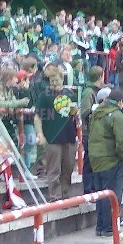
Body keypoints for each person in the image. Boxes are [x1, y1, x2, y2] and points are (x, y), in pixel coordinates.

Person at [88, 88, 123, 237]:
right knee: (112, 195)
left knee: (101, 195)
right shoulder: (117, 115)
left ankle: (100, 226)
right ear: (121, 102)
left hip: (96, 159)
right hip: (112, 160)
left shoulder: (97, 113)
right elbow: (121, 141)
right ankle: (109, 228)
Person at [34, 64, 78, 201]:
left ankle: (65, 194)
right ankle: (55, 196)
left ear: (62, 79)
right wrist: (40, 134)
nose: (54, 83)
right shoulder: (44, 96)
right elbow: (37, 116)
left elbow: (74, 114)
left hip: (69, 136)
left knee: (68, 167)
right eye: (52, 81)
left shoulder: (70, 94)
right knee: (54, 169)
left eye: (56, 80)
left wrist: (75, 110)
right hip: (52, 137)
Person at [79, 66, 104, 194]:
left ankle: (94, 186)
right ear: (100, 76)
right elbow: (85, 112)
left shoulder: (97, 91)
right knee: (89, 161)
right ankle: (88, 188)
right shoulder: (88, 92)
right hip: (89, 132)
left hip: (96, 132)